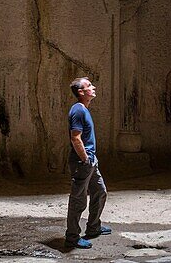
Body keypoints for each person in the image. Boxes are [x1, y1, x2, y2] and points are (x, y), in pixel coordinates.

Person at [65, 77, 110, 249]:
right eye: (89, 86)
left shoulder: (84, 109)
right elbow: (75, 138)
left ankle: (93, 227)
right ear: (81, 92)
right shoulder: (78, 110)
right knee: (78, 200)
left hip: (91, 160)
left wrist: (91, 159)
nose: (93, 87)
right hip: (82, 162)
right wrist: (85, 159)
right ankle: (72, 237)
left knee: (100, 192)